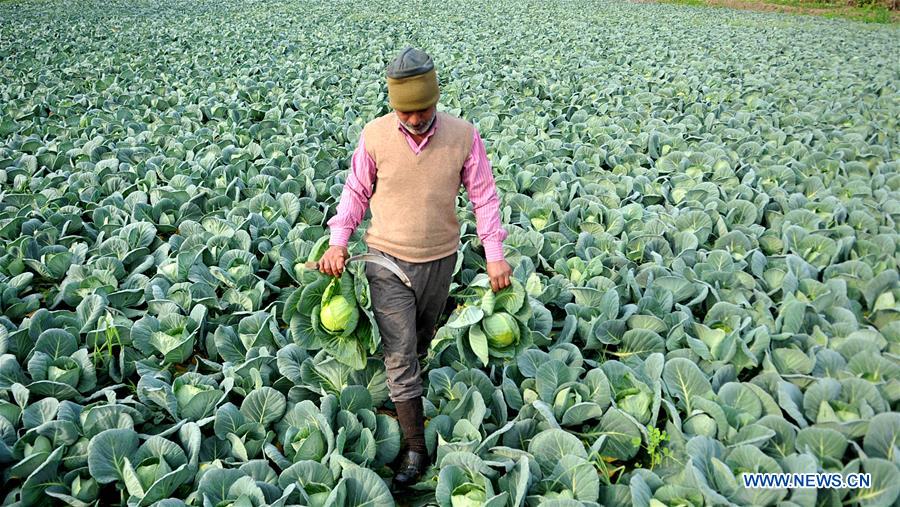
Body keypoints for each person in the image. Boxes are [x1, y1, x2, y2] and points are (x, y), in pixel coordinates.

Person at [317, 46, 511, 488]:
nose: (416, 119)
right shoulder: (375, 136)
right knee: (401, 353)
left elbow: (483, 196)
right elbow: (354, 193)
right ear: (393, 106)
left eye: (423, 109)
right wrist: (337, 243)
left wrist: (494, 253)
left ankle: (404, 397)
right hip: (385, 258)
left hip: (440, 260)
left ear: (435, 100)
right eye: (406, 112)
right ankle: (414, 447)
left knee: (419, 344)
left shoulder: (463, 135)